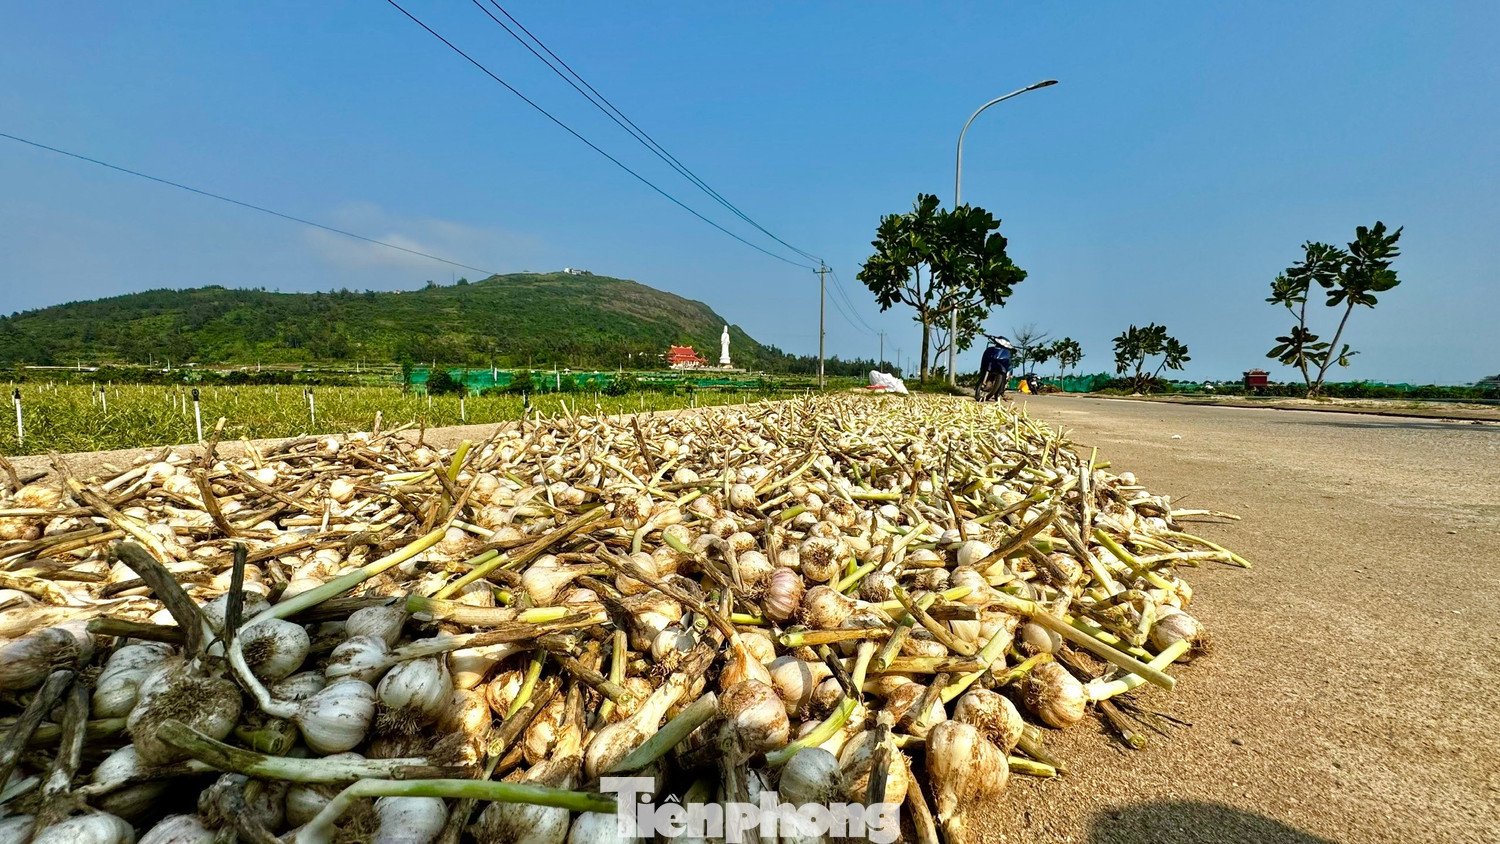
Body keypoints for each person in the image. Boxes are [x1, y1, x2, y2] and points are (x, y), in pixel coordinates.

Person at [977, 335, 1014, 401]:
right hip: (991, 364)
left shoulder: (1006, 352)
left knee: (1008, 369)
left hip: (1002, 367)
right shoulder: (991, 349)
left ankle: (1001, 392)